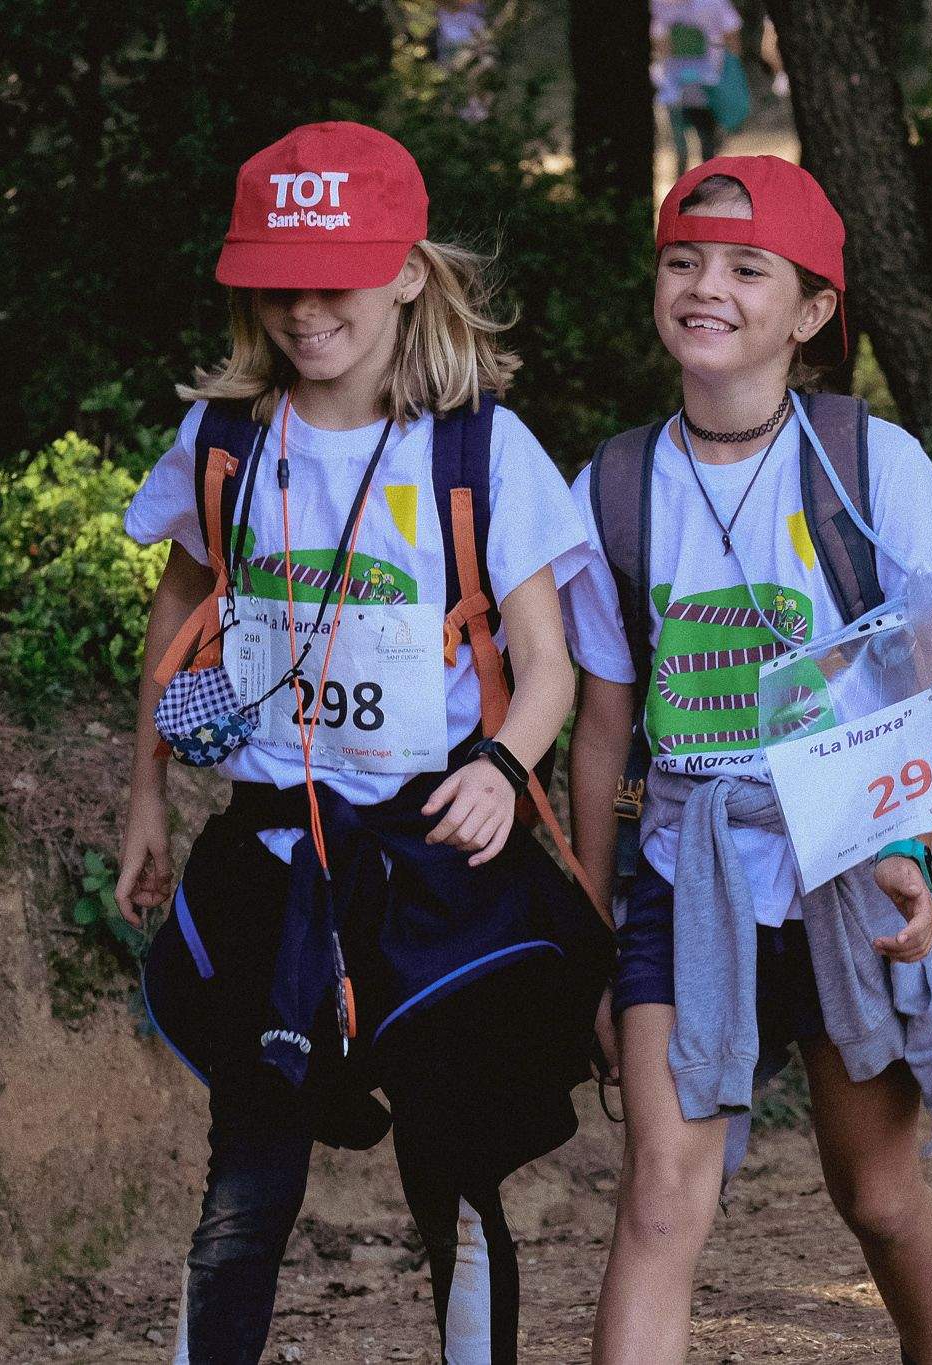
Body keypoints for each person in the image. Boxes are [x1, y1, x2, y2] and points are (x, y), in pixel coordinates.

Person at [118, 120, 609, 1365]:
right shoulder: (225, 441)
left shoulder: (480, 448)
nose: (302, 305)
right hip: (269, 858)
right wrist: (143, 800)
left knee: (454, 1168)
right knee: (249, 1179)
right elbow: (179, 615)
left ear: (405, 272)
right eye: (276, 277)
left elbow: (546, 663)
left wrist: (504, 768)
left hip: (433, 859)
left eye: (334, 273)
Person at [563, 155, 932, 1365]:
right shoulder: (610, 485)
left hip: (849, 866)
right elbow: (602, 727)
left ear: (808, 314)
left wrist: (905, 849)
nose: (707, 288)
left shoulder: (872, 466)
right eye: (683, 261)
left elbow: (928, 684)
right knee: (659, 1200)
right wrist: (592, 925)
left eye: (748, 270)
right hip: (681, 873)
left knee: (874, 1196)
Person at [653, 0, 742, 173]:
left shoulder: (660, 4)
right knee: (705, 145)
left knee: (683, 146)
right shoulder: (715, 3)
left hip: (679, 85)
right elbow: (733, 38)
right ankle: (705, 183)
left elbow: (659, 42)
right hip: (704, 84)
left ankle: (682, 187)